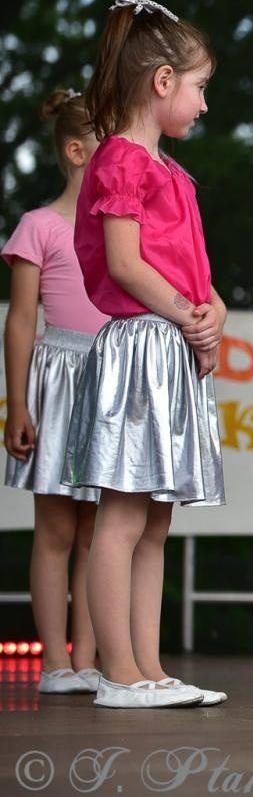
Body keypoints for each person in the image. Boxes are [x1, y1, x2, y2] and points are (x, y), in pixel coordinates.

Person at [62, 0, 227, 709]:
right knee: (123, 514)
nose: (203, 105)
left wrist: (212, 314)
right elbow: (127, 265)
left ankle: (149, 667)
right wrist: (189, 318)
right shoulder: (120, 162)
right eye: (199, 89)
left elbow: (199, 276)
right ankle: (116, 672)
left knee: (155, 516)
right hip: (139, 343)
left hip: (171, 343)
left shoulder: (174, 175)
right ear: (162, 82)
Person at [3, 90, 109, 695]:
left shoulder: (120, 232)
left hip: (110, 384)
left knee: (100, 530)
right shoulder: (39, 226)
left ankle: (90, 656)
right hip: (58, 382)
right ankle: (53, 664)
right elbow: (20, 320)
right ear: (76, 151)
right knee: (56, 531)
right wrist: (18, 404)